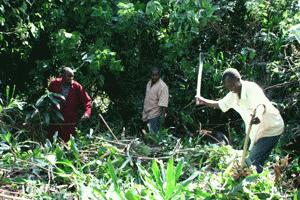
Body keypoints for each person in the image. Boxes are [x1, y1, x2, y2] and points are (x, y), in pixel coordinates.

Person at [196, 68, 284, 173]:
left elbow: (260, 105)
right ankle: (257, 179)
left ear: (238, 79)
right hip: (258, 132)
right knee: (254, 161)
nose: (232, 89)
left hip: (271, 128)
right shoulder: (233, 94)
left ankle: (254, 183)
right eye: (229, 87)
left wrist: (259, 116)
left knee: (253, 162)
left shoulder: (252, 89)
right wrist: (203, 101)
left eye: (233, 85)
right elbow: (220, 104)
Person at [48, 67, 92, 142]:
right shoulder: (54, 84)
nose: (71, 78)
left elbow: (87, 101)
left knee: (68, 143)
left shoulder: (76, 86)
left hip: (70, 121)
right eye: (69, 76)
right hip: (55, 119)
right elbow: (48, 97)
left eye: (72, 76)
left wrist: (87, 113)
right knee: (53, 141)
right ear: (62, 75)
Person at [142, 67, 169, 133]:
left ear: (159, 75)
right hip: (146, 113)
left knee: (153, 136)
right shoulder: (149, 83)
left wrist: (162, 118)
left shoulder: (163, 86)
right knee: (147, 135)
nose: (154, 77)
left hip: (155, 115)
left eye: (156, 75)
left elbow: (164, 103)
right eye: (152, 75)